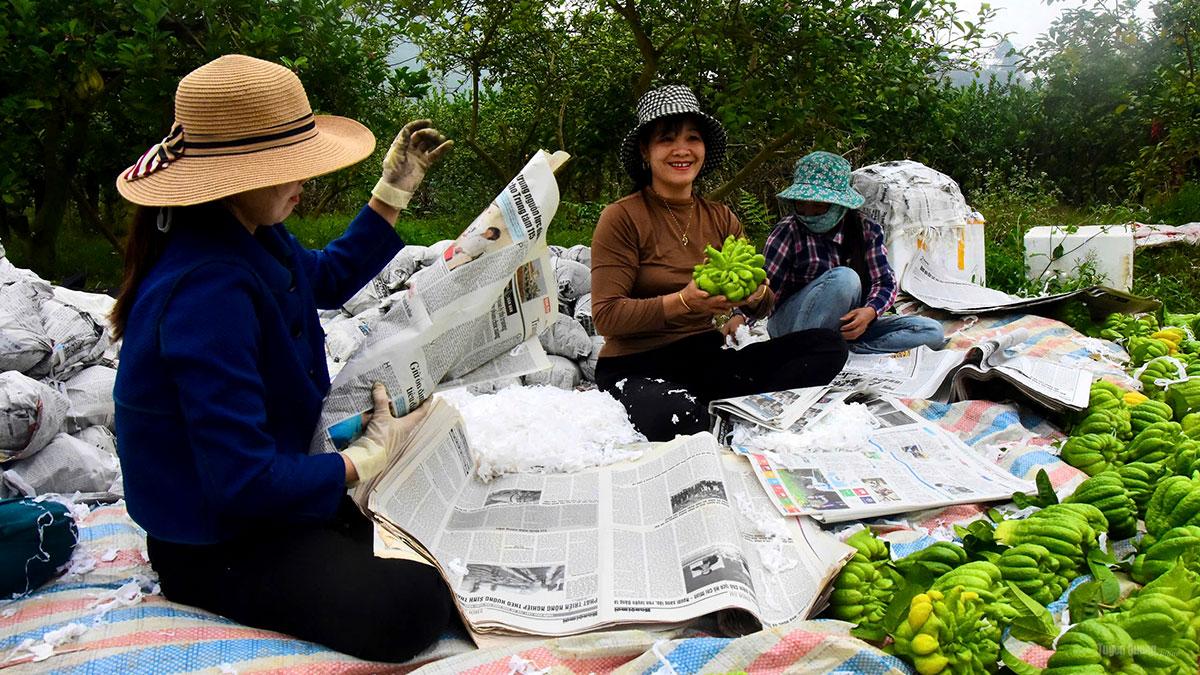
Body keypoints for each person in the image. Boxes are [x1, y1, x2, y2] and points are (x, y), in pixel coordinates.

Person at [109, 55, 456, 663]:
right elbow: (242, 481)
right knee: (411, 604)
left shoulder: (250, 232)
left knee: (441, 545)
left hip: (275, 493)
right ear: (233, 178)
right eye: (289, 169)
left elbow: (321, 278)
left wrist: (391, 193)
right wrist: (362, 462)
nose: (306, 181)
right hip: (218, 537)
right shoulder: (205, 290)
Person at [591, 86, 848, 442]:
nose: (682, 150)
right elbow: (607, 316)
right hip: (637, 363)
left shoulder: (720, 217)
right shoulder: (621, 217)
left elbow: (763, 300)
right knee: (677, 416)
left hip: (705, 358)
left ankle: (711, 403)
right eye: (667, 139)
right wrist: (683, 302)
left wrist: (757, 295)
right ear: (645, 151)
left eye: (692, 138)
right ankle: (695, 408)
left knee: (827, 346)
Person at [750, 151, 945, 353]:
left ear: (840, 206)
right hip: (792, 326)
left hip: (843, 328)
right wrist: (741, 315)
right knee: (845, 278)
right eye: (801, 205)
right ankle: (807, 351)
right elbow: (765, 287)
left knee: (931, 331)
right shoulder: (788, 231)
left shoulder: (867, 230)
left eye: (818, 206)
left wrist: (869, 312)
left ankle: (849, 351)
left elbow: (885, 283)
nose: (808, 214)